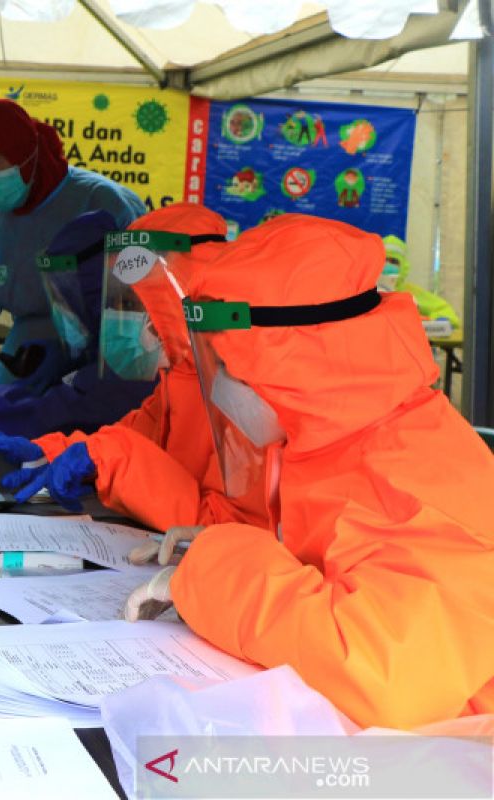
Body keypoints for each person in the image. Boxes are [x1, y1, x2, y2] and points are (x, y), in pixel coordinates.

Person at [124, 214, 494, 731]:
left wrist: (213, 568)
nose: (220, 386)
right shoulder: (336, 438)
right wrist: (224, 542)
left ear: (289, 362)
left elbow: (380, 677)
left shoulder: (415, 472)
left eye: (229, 364)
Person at [0, 205, 267, 530]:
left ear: (173, 303)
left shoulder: (240, 390)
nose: (123, 317)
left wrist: (112, 461)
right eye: (120, 303)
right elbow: (129, 437)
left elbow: (223, 527)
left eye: (134, 304)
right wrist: (45, 450)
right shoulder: (180, 377)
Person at [0, 98, 145, 403]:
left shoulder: (105, 203)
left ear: (23, 150)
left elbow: (141, 304)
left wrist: (78, 353)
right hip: (25, 363)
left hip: (106, 361)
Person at [0, 210, 154, 441]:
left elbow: (52, 415)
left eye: (66, 293)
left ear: (95, 290)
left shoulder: (132, 357)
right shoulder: (97, 349)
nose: (62, 307)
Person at [379, 234, 460, 331]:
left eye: (394, 261)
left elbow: (448, 315)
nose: (388, 265)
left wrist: (432, 321)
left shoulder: (411, 293)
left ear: (403, 266)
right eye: (384, 260)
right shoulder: (363, 292)